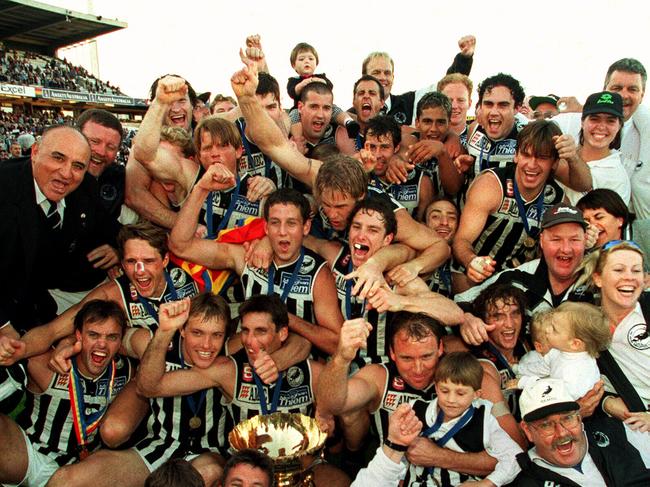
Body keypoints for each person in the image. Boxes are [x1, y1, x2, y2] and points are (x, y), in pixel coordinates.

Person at [230, 59, 450, 263]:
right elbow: (274, 145)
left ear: (361, 196)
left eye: (341, 206)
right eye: (326, 204)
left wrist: (410, 267)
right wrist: (247, 99)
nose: (332, 214)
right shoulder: (322, 174)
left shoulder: (384, 211)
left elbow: (439, 246)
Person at [47, 296, 231, 487]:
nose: (207, 345)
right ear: (182, 329)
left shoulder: (229, 355)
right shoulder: (155, 344)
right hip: (157, 447)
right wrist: (69, 341)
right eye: (197, 332)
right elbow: (111, 337)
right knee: (66, 480)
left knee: (206, 473)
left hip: (208, 453)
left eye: (216, 335)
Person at [316, 312, 521, 473]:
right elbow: (331, 404)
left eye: (426, 356)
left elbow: (516, 450)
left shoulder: (472, 378)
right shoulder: (379, 377)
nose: (418, 368)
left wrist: (439, 457)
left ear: (441, 348)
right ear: (392, 353)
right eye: (406, 358)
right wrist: (342, 357)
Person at [170, 184, 343, 357]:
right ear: (266, 228)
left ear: (305, 227)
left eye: (291, 223)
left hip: (292, 366)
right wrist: (201, 188)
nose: (282, 232)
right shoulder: (246, 257)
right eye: (275, 223)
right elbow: (180, 246)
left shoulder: (319, 274)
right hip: (244, 359)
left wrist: (284, 318)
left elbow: (336, 344)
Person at [0, 300, 135, 487]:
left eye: (112, 337)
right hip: (28, 455)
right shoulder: (45, 362)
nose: (102, 344)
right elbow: (14, 349)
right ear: (78, 335)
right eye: (93, 335)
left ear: (121, 340)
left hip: (77, 470)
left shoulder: (126, 372)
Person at [0, 125, 120, 334]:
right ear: (35, 152)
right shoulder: (5, 188)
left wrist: (117, 247)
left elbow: (110, 227)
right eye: (58, 158)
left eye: (78, 166)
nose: (66, 173)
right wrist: (3, 325)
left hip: (42, 302)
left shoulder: (85, 187)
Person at [452, 121, 586, 290]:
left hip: (518, 285)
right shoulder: (491, 184)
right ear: (516, 155)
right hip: (472, 280)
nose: (532, 165)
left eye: (542, 158)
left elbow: (585, 184)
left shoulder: (557, 199)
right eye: (526, 155)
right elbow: (461, 241)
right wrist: (471, 261)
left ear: (554, 163)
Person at [455, 203, 596, 339]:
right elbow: (461, 301)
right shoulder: (516, 278)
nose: (565, 249)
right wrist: (466, 319)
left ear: (585, 241)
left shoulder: (598, 281)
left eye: (574, 239)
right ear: (541, 241)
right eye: (556, 239)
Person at [403, 352, 522, 486]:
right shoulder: (414, 410)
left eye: (460, 393)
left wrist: (486, 484)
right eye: (445, 391)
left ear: (477, 394)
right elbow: (396, 454)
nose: (451, 400)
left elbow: (515, 457)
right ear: (436, 387)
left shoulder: (484, 420)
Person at [512, 378, 650, 486]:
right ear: (527, 430)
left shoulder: (617, 431)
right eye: (546, 425)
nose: (562, 433)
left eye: (567, 418)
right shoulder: (525, 481)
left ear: (579, 417)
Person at [577, 240, 650, 425]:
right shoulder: (585, 326)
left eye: (636, 270)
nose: (629, 277)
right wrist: (606, 403)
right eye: (619, 270)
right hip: (628, 430)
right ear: (598, 279)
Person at [361, 35, 475, 126]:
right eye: (376, 73)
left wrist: (464, 59)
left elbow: (446, 87)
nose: (383, 77)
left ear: (393, 77)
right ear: (364, 78)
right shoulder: (353, 113)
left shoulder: (409, 102)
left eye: (387, 73)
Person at [507, 302, 610, 400]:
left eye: (554, 329)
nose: (547, 329)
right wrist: (517, 369)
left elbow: (556, 392)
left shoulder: (578, 370)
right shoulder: (558, 351)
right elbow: (541, 367)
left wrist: (525, 382)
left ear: (574, 343)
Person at [562, 91, 631, 206]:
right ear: (582, 122)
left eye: (610, 121)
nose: (601, 127)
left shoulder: (617, 179)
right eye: (595, 119)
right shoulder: (563, 153)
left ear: (619, 126)